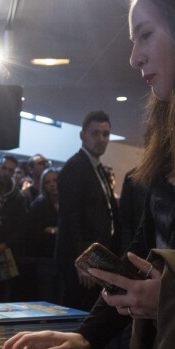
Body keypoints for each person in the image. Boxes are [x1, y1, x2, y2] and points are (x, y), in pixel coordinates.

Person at [1, 0, 175, 349]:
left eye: (145, 34)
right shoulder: (168, 142)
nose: (134, 57)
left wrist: (169, 298)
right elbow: (140, 257)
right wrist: (85, 336)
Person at [55, 110, 121, 312]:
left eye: (106, 134)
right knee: (77, 319)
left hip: (96, 258)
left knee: (90, 319)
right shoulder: (75, 167)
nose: (101, 139)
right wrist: (81, 262)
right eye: (95, 133)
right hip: (81, 262)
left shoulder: (98, 168)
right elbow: (70, 218)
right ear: (82, 135)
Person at [0, 155, 27, 302]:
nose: (6, 173)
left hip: (7, 252)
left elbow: (21, 228)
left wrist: (6, 244)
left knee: (4, 297)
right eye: (3, 168)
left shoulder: (18, 197)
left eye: (10, 170)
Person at [24, 167, 62, 303]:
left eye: (55, 180)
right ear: (43, 185)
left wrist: (52, 230)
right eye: (47, 182)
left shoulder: (69, 203)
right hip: (44, 260)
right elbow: (33, 233)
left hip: (64, 260)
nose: (52, 184)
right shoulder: (39, 204)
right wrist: (55, 231)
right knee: (47, 300)